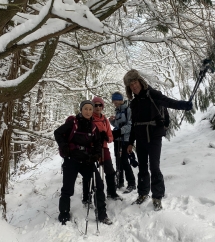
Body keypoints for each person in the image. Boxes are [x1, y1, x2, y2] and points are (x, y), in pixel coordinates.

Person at [124, 69, 193, 211]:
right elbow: (133, 124)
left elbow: (168, 102)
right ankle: (143, 193)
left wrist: (183, 105)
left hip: (154, 136)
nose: (134, 86)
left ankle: (157, 196)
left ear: (140, 82)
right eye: (131, 85)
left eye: (135, 82)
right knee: (142, 167)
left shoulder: (152, 94)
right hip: (140, 137)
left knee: (154, 167)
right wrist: (130, 142)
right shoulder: (134, 103)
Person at [54, 100, 112, 225]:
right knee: (67, 189)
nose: (88, 111)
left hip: (87, 161)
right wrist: (64, 145)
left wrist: (96, 154)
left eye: (90, 109)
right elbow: (57, 133)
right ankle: (64, 214)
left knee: (98, 185)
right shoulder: (72, 123)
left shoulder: (93, 127)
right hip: (71, 160)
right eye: (86, 109)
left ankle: (102, 214)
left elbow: (97, 143)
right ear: (81, 110)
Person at [82, 96, 122, 202]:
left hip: (103, 148)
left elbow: (111, 137)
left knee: (110, 171)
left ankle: (111, 192)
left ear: (102, 106)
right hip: (91, 149)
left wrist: (106, 137)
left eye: (100, 105)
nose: (98, 107)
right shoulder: (89, 118)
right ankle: (87, 196)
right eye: (95, 105)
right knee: (89, 172)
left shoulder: (105, 119)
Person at [109, 91, 136, 194]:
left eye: (116, 101)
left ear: (120, 100)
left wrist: (120, 131)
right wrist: (112, 121)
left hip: (125, 139)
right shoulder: (118, 111)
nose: (114, 103)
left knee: (124, 160)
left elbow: (130, 125)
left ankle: (132, 183)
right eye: (113, 101)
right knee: (118, 160)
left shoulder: (128, 109)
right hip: (117, 138)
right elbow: (117, 124)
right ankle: (120, 182)